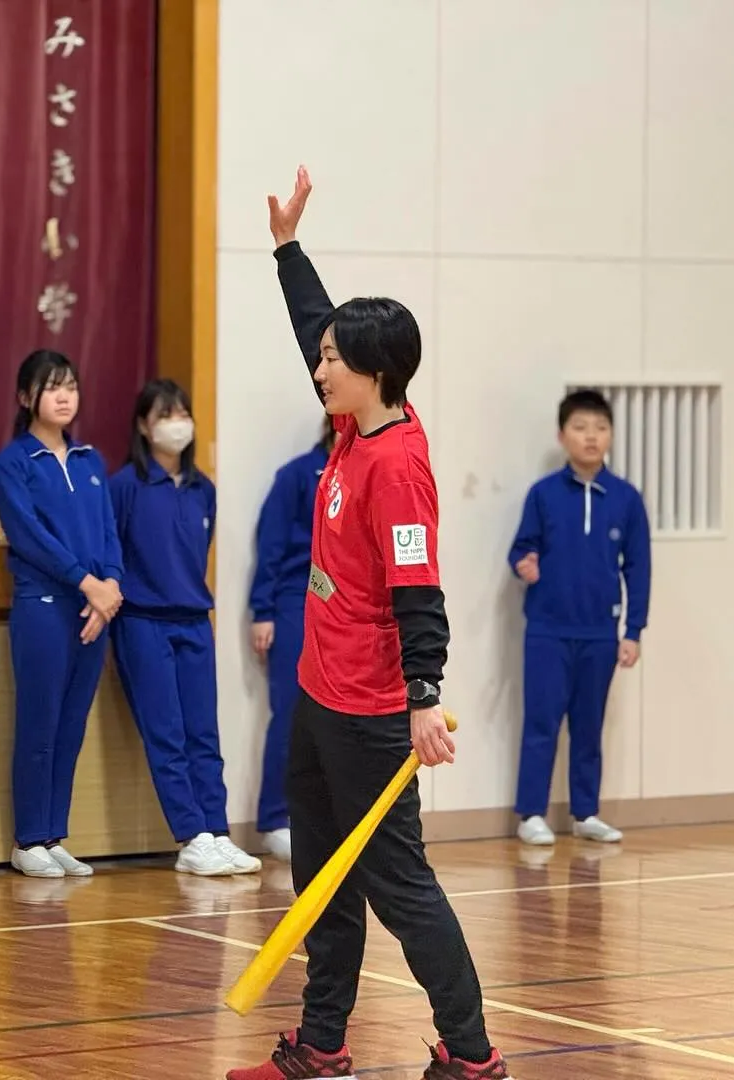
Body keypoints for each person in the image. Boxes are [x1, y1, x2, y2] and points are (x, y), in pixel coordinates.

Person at [228, 167, 512, 1080]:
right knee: (323, 884)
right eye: (322, 359)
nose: (319, 367)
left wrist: (423, 698)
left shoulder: (398, 466)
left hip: (372, 711)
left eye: (334, 361)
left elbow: (418, 592)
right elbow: (313, 323)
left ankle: (471, 1056)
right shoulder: (354, 425)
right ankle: (322, 1045)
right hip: (319, 693)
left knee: (400, 886)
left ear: (376, 373)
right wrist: (287, 248)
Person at [109, 379, 260, 878]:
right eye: (164, 413)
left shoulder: (203, 490)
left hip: (194, 622)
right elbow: (112, 553)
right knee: (167, 734)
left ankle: (216, 831)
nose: (176, 422)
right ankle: (191, 835)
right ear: (143, 425)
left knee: (204, 734)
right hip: (143, 623)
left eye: (182, 412)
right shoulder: (124, 486)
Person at [0, 349, 123, 879]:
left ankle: (53, 833)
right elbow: (30, 537)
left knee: (71, 726)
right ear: (26, 398)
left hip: (94, 611)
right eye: (51, 387)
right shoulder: (14, 461)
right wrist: (87, 582)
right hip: (43, 608)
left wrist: (110, 588)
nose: (64, 396)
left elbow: (110, 532)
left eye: (70, 385)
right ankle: (27, 840)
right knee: (39, 723)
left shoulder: (91, 461)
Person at [506, 390, 651, 847]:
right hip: (547, 631)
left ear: (610, 436)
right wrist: (524, 563)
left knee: (589, 727)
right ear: (562, 435)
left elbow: (639, 568)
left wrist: (633, 631)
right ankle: (531, 813)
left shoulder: (626, 499)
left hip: (600, 635)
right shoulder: (543, 494)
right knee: (541, 724)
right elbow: (519, 549)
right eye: (581, 428)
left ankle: (585, 812)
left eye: (600, 428)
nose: (591, 437)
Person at [249, 415, 334, 861]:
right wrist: (263, 610)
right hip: (295, 602)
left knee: (339, 719)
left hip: (346, 609)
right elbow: (272, 545)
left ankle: (327, 819)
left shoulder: (370, 471)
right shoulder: (300, 474)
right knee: (291, 713)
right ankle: (274, 817)